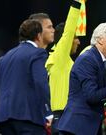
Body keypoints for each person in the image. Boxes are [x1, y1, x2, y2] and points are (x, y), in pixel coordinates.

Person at [58, 22, 106, 135]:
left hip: (85, 128)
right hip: (77, 128)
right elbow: (92, 96)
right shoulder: (88, 59)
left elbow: (100, 92)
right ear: (100, 39)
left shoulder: (99, 60)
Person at [0, 18, 54, 135]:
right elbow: (40, 83)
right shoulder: (38, 53)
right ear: (39, 36)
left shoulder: (4, 58)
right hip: (29, 119)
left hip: (4, 121)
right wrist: (48, 113)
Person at [44, 0, 81, 134]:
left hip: (61, 117)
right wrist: (77, 4)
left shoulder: (59, 59)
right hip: (64, 117)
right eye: (75, 37)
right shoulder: (60, 57)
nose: (78, 41)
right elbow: (69, 29)